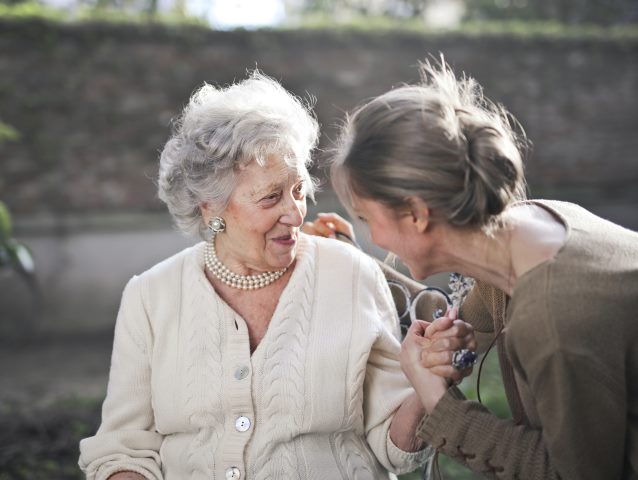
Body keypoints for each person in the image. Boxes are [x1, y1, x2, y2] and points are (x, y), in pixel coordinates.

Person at [78, 72, 475, 480]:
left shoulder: (351, 275)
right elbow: (122, 449)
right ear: (210, 208)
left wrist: (425, 384)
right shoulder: (150, 296)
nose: (295, 212)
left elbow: (396, 450)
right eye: (271, 197)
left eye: (299, 190)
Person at [317, 59, 638, 479]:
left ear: (415, 214)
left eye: (365, 219)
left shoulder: (553, 320)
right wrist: (348, 259)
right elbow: (455, 318)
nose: (373, 237)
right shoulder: (532, 228)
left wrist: (441, 405)